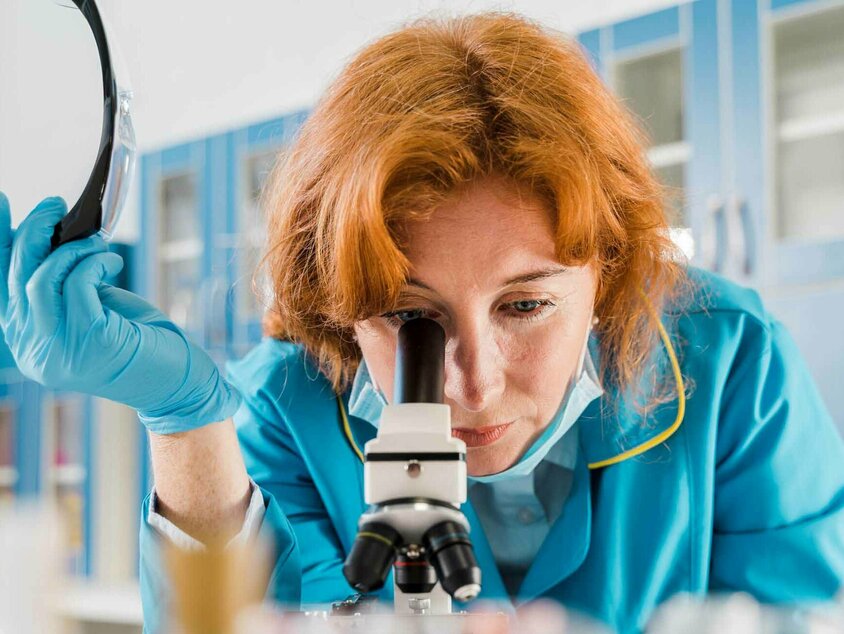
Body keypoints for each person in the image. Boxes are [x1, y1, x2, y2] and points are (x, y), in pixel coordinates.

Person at [1, 12, 843, 634]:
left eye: (525, 305)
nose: (471, 383)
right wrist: (188, 422)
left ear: (610, 269)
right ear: (337, 305)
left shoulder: (731, 361)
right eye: (411, 317)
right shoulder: (287, 405)